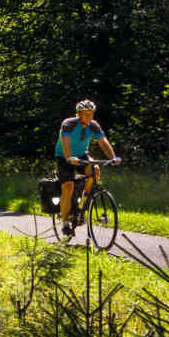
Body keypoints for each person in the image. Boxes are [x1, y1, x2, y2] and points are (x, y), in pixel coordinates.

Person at [54, 99, 120, 236]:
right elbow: (65, 142)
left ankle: (82, 206)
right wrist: (69, 157)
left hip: (82, 155)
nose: (89, 117)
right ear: (79, 114)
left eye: (91, 114)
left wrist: (113, 157)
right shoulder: (69, 124)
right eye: (86, 114)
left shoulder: (93, 125)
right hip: (64, 157)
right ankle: (65, 222)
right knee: (68, 186)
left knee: (95, 169)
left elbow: (103, 142)